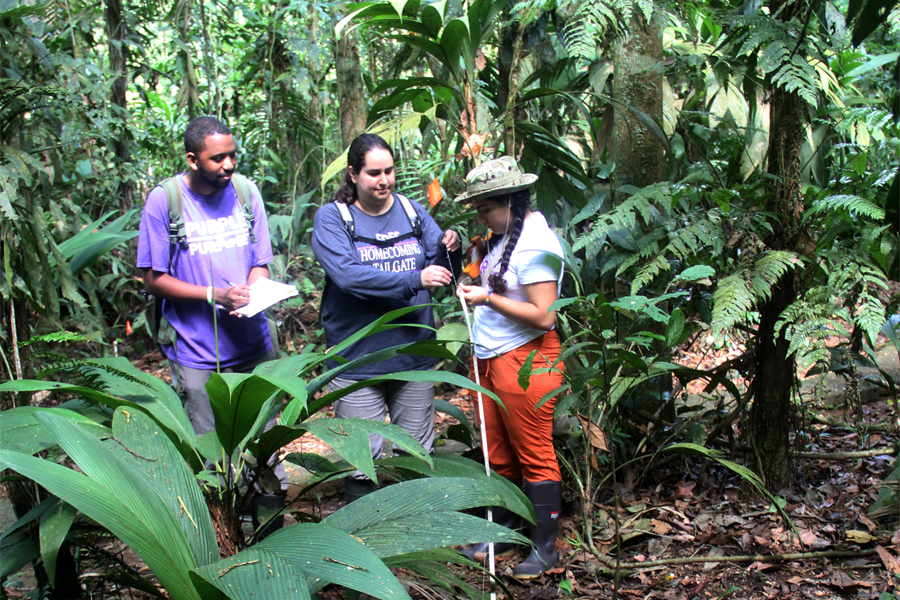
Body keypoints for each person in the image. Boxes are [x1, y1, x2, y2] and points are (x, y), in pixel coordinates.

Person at [136, 116, 286, 530]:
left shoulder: (245, 192)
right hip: (199, 354)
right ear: (192, 159)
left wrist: (250, 294)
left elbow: (260, 261)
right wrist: (212, 296)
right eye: (217, 158)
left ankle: (276, 542)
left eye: (232, 155)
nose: (228, 164)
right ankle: (229, 545)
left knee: (265, 451)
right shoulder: (165, 200)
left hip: (253, 345)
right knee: (215, 459)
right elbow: (152, 277)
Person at [312, 133, 461, 503]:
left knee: (415, 451)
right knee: (363, 460)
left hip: (413, 353)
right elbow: (348, 276)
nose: (384, 180)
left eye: (389, 171)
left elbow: (439, 271)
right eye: (374, 173)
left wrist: (450, 250)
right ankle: (366, 542)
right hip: (358, 357)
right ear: (353, 174)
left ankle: (419, 535)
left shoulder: (411, 211)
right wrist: (414, 279)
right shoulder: (334, 218)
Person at [456, 156, 565, 580]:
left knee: (534, 452)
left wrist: (486, 299)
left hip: (527, 359)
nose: (480, 216)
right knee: (497, 452)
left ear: (513, 201)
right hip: (491, 357)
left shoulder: (536, 242)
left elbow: (544, 316)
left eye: (486, 207)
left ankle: (544, 547)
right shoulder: (503, 237)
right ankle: (503, 528)